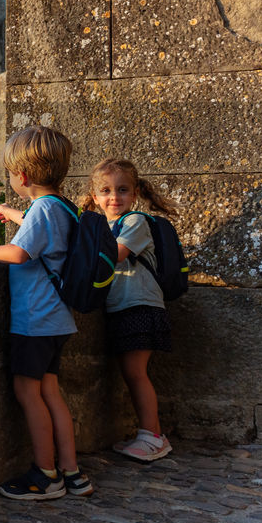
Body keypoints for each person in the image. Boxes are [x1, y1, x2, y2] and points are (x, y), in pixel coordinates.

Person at [0, 125, 93, 500]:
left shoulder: (44, 209)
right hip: (58, 319)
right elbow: (45, 233)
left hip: (34, 319)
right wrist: (16, 215)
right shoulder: (63, 206)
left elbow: (19, 253)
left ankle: (46, 475)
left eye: (10, 173)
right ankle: (72, 472)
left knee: (28, 392)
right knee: (52, 393)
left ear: (24, 175)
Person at [81, 158, 179, 462]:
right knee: (130, 372)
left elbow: (116, 254)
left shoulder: (135, 222)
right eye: (106, 191)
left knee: (136, 373)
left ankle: (153, 436)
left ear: (134, 193)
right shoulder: (106, 226)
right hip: (123, 307)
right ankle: (146, 434)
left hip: (140, 305)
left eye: (122, 190)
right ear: (95, 197)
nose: (114, 197)